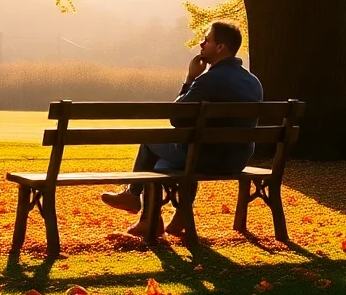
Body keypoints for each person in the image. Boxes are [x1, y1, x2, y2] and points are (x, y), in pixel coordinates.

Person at [100, 20, 262, 237]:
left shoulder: (208, 80)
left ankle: (136, 199)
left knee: (150, 140)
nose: (201, 44)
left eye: (207, 40)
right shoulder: (253, 82)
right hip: (236, 159)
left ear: (220, 47)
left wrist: (190, 79)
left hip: (205, 158)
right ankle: (176, 216)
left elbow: (177, 118)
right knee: (161, 164)